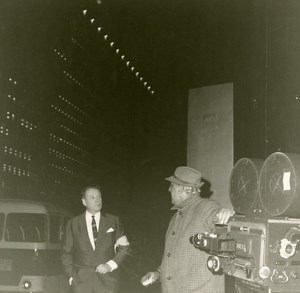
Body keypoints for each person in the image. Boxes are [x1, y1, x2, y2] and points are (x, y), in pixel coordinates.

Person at [140, 166, 235, 293]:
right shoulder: (175, 218)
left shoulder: (206, 207)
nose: (169, 189)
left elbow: (221, 222)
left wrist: (227, 215)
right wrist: (158, 273)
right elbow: (173, 257)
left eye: (171, 186)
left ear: (180, 189)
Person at [62, 185, 130, 293]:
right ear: (84, 202)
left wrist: (110, 265)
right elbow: (66, 253)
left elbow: (125, 249)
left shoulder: (114, 221)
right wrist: (71, 276)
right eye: (92, 197)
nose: (97, 200)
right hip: (80, 283)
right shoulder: (73, 223)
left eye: (99, 197)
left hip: (108, 283)